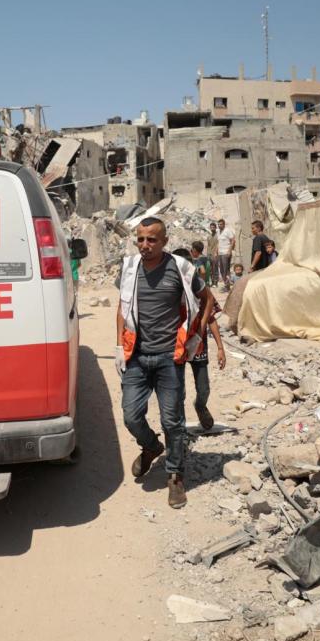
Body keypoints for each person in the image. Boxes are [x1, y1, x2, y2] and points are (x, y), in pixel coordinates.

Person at [116, 217, 215, 509]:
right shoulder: (129, 268)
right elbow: (122, 308)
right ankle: (150, 446)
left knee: (173, 421)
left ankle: (175, 475)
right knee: (130, 416)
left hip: (169, 358)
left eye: (152, 240)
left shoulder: (182, 269)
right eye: (141, 239)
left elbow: (207, 297)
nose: (145, 245)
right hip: (136, 355)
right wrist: (118, 345)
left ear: (165, 241)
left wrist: (198, 330)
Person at [174, 250, 226, 431]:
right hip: (177, 347)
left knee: (203, 388)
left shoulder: (202, 291)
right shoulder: (168, 290)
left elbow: (211, 318)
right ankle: (179, 430)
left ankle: (200, 405)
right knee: (177, 392)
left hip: (198, 345)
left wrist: (220, 347)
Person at [214, 219, 235, 290]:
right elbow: (218, 243)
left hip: (226, 252)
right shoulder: (218, 232)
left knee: (226, 269)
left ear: (224, 224)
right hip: (220, 253)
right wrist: (216, 252)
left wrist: (229, 251)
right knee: (222, 270)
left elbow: (233, 240)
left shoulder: (227, 231)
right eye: (218, 224)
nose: (219, 225)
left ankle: (227, 285)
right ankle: (226, 284)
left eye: (221, 224)